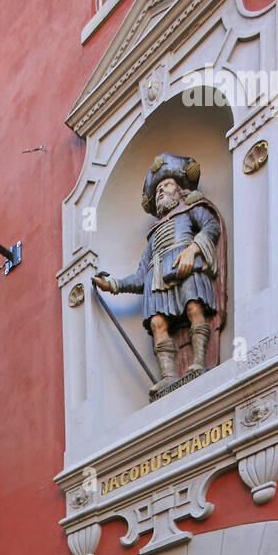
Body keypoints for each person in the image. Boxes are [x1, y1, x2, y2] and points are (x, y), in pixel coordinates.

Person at [92, 152, 222, 395]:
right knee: (157, 323)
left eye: (167, 184)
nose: (161, 191)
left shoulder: (191, 210)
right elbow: (142, 275)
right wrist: (113, 285)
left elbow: (211, 226)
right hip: (157, 278)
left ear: (180, 190)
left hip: (186, 266)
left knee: (194, 308)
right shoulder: (153, 235)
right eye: (158, 188)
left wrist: (192, 250)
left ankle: (199, 362)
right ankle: (169, 375)